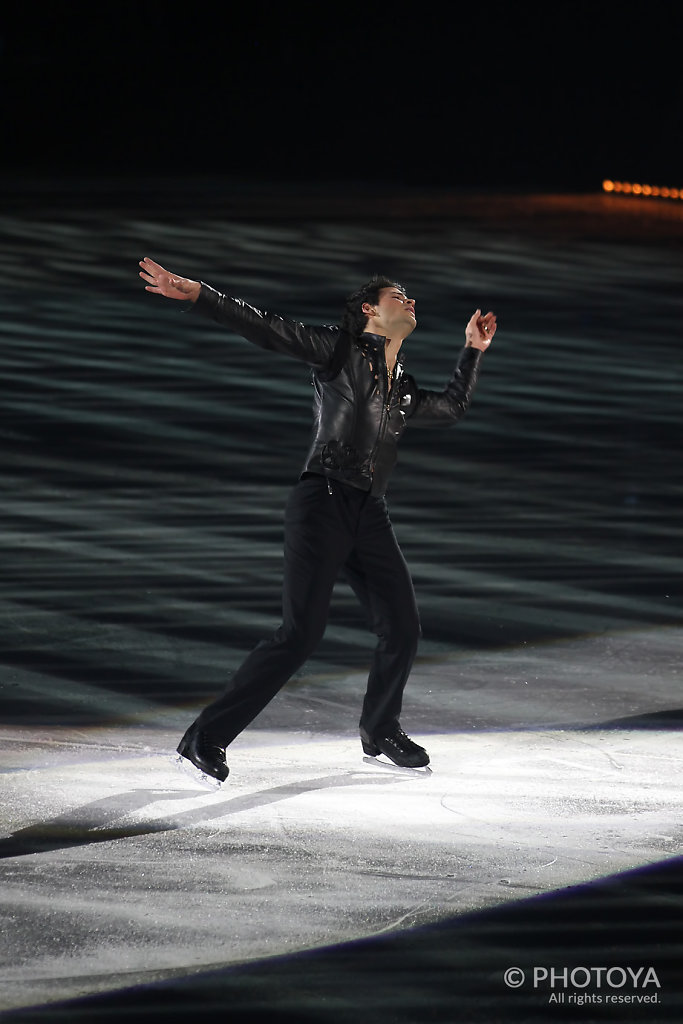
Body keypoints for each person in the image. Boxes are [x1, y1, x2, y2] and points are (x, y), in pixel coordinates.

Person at [139, 257, 496, 783]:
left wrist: (472, 351)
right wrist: (199, 294)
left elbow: (450, 409)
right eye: (399, 296)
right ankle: (204, 738)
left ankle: (380, 729)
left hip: (368, 512)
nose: (411, 301)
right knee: (300, 634)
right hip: (322, 502)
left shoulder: (401, 387)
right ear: (370, 310)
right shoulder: (339, 350)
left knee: (402, 627)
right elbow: (263, 325)